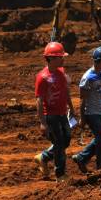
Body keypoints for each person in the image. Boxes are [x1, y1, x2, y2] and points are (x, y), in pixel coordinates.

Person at [33, 42, 76, 182]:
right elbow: (39, 101)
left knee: (66, 139)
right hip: (51, 116)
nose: (63, 59)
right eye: (60, 57)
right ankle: (60, 175)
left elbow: (66, 91)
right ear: (51, 58)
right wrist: (43, 123)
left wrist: (71, 107)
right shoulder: (42, 77)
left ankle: (44, 157)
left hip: (63, 113)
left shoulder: (61, 72)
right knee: (59, 144)